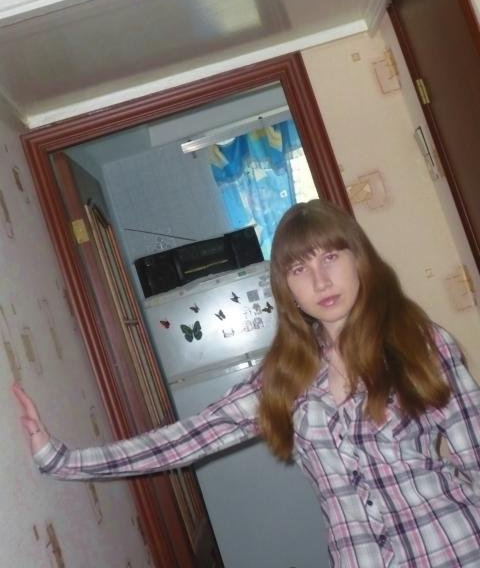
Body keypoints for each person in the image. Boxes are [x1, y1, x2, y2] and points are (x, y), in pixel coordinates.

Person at [14, 199, 480, 568]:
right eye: (299, 269)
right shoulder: (286, 376)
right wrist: (63, 460)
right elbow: (186, 439)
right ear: (286, 287)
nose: (320, 280)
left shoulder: (420, 342)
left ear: (359, 261)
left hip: (456, 546)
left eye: (331, 257)